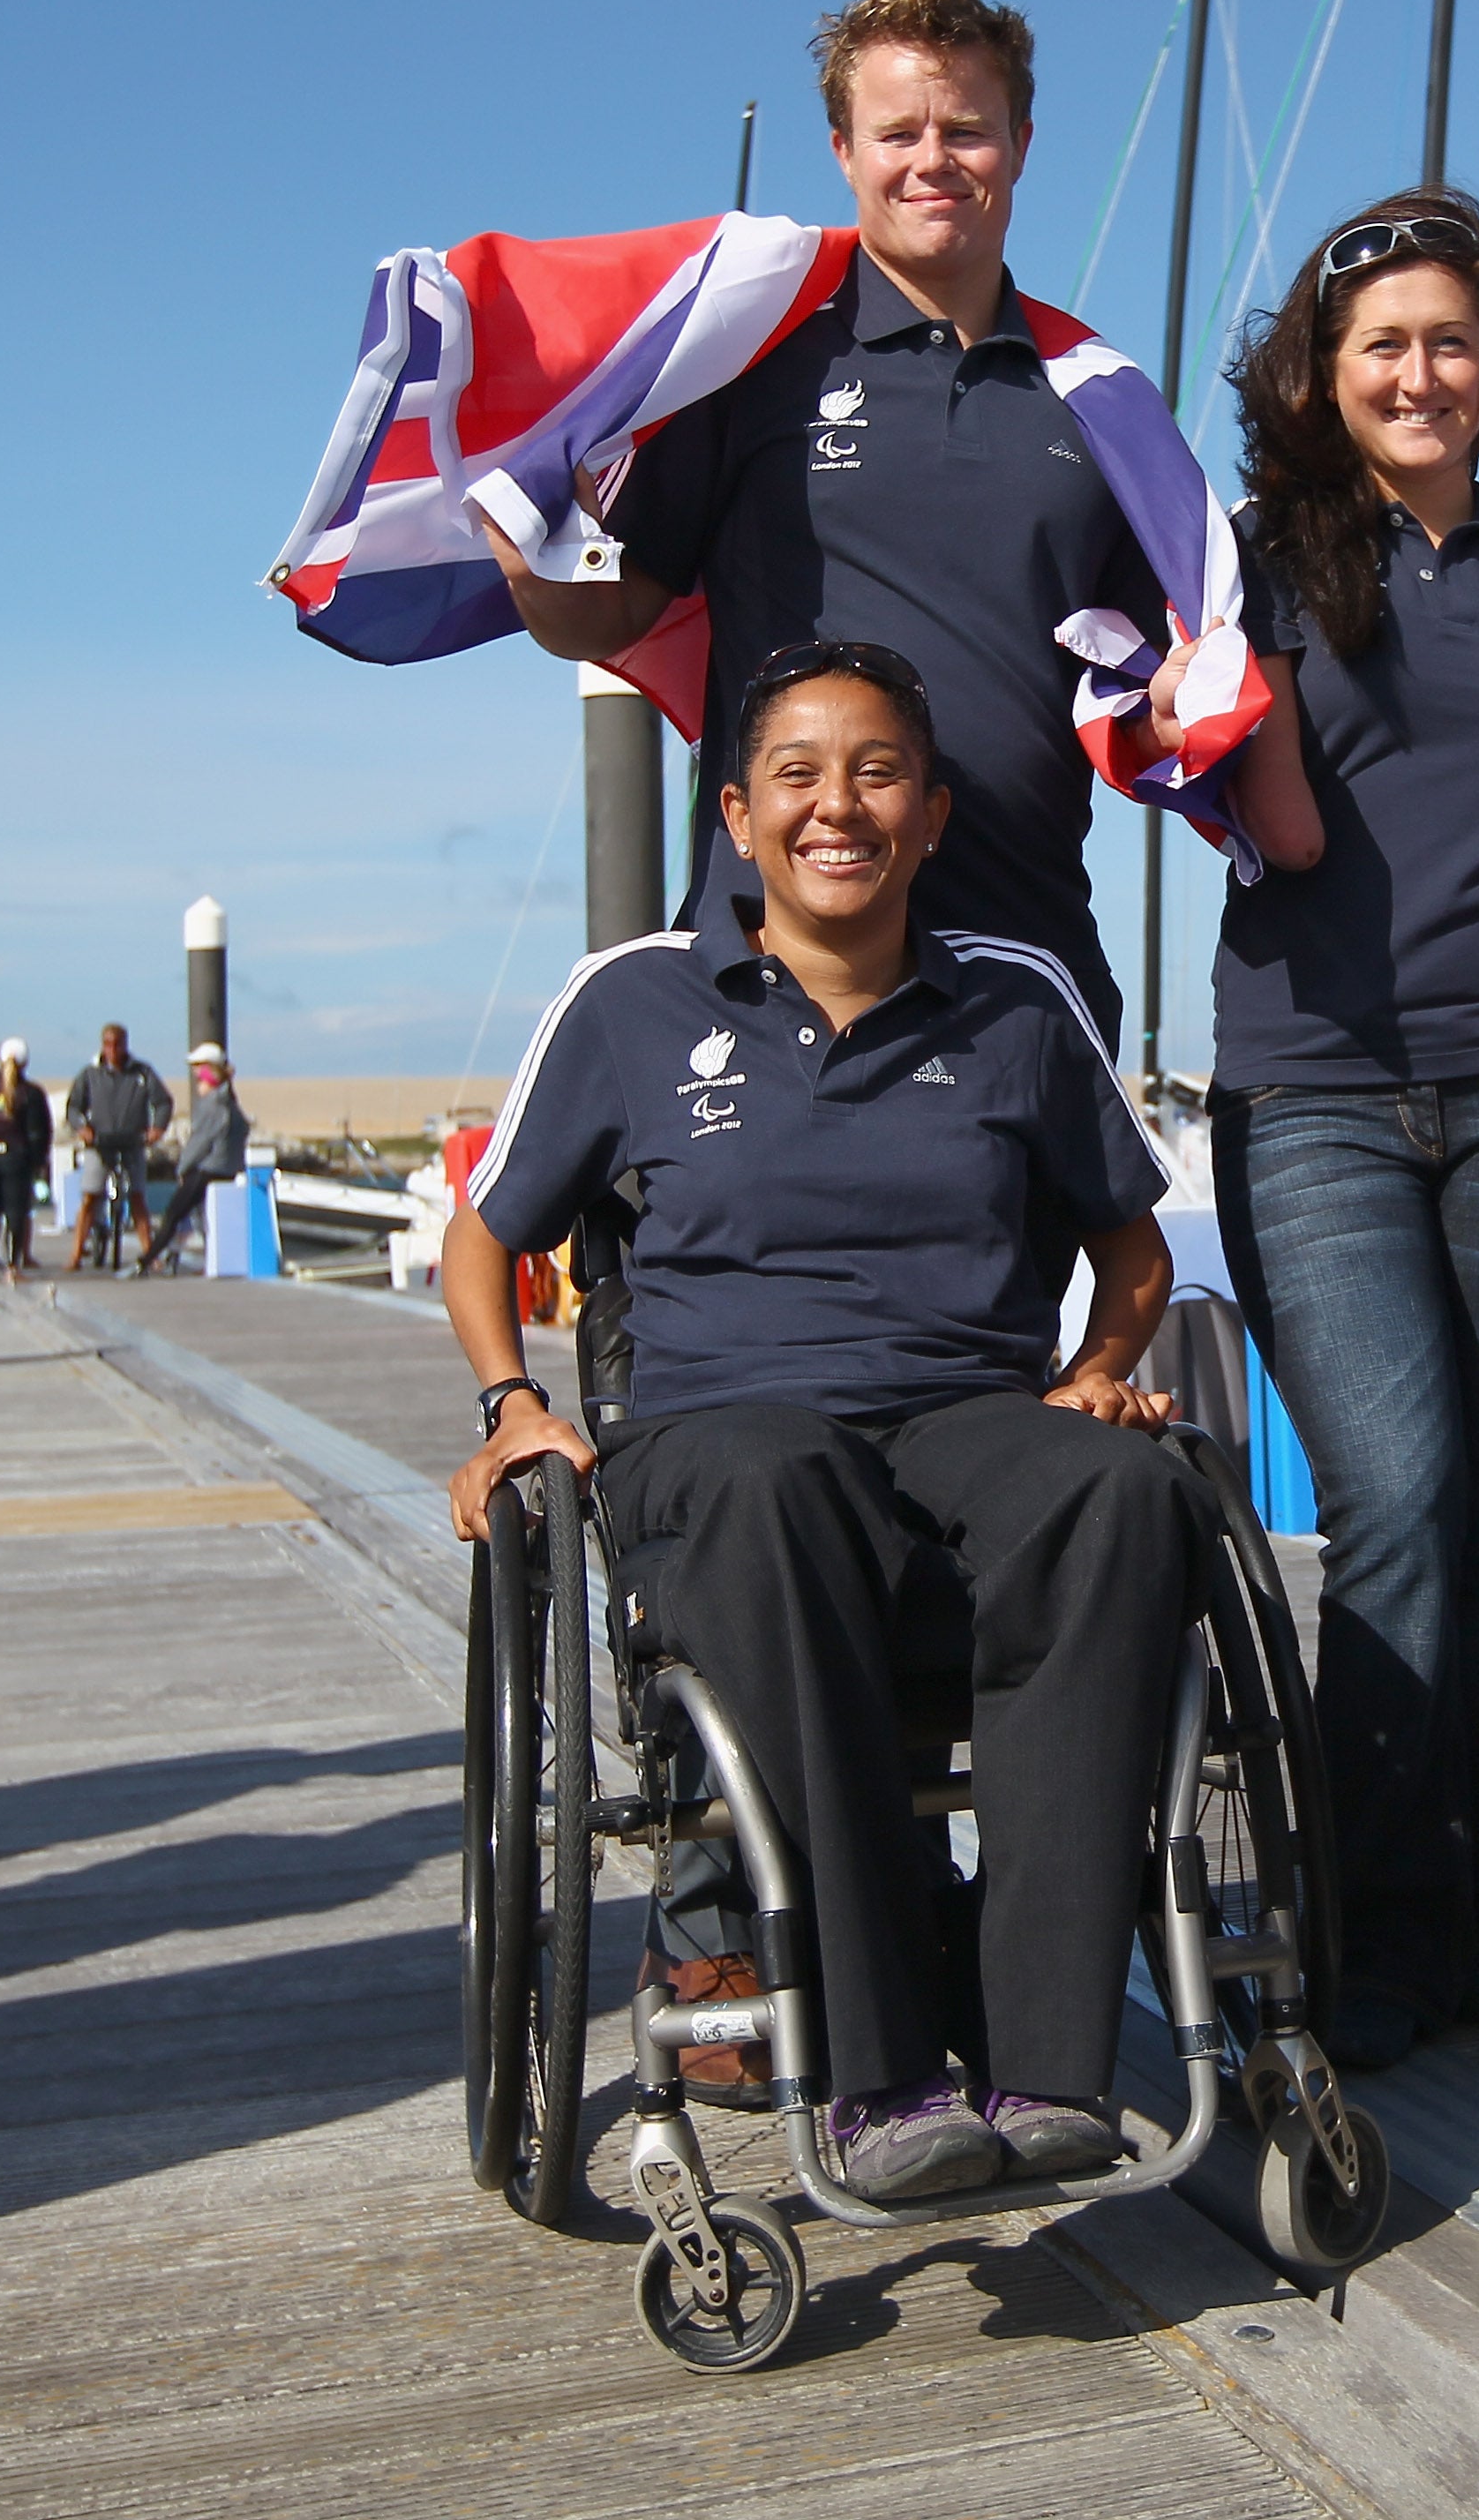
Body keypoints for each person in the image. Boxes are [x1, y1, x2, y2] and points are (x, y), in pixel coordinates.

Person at [443, 639, 1215, 2205]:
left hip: (962, 1418)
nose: (836, 804)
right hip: (719, 1435)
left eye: (876, 771)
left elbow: (1131, 1241)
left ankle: (1053, 2059)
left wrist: (1102, 1358)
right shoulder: (631, 1003)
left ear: (931, 813)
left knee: (1119, 1490)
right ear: (739, 815)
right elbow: (485, 1231)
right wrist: (512, 1400)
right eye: (797, 772)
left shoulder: (1014, 1002)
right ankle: (874, 2067)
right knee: (775, 1470)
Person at [1194, 191, 1479, 2069]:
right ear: (1330, 371)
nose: (1421, 373)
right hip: (1314, 1094)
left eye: (1452, 341)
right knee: (1392, 1500)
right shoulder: (1251, 572)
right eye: (1385, 345)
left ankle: (1458, 1930)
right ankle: (1361, 1934)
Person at [471, 0, 1222, 1043]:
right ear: (843, 150)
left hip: (1020, 963)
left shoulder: (1099, 396)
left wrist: (1179, 700)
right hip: (770, 964)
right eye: (897, 131)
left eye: (967, 129)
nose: (932, 160)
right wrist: (531, 575)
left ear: (1021, 141)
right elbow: (611, 612)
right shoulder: (751, 363)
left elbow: (1141, 686)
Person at [63, 1024, 175, 1274]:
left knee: (137, 1197)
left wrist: (157, 1128)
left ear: (126, 1044)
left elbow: (163, 1102)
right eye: (108, 1044)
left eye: (118, 1044)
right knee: (91, 1196)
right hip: (99, 1143)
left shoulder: (142, 1072)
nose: (113, 1050)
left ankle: (150, 1254)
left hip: (132, 1142)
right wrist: (82, 1128)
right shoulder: (90, 1074)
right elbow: (73, 1107)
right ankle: (76, 1253)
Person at [134, 1041, 244, 1276]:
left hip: (208, 1168)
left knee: (174, 1213)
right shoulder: (229, 1104)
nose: (195, 1078)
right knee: (203, 1217)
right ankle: (209, 1259)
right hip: (227, 1168)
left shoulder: (214, 1104)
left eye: (199, 1072)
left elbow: (200, 1142)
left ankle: (146, 1260)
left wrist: (183, 1168)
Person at [0, 1040, 49, 1278]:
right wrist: (38, 1162)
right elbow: (38, 1131)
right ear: (25, 1062)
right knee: (15, 1212)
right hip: (15, 1158)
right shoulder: (31, 1093)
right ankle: (13, 1267)